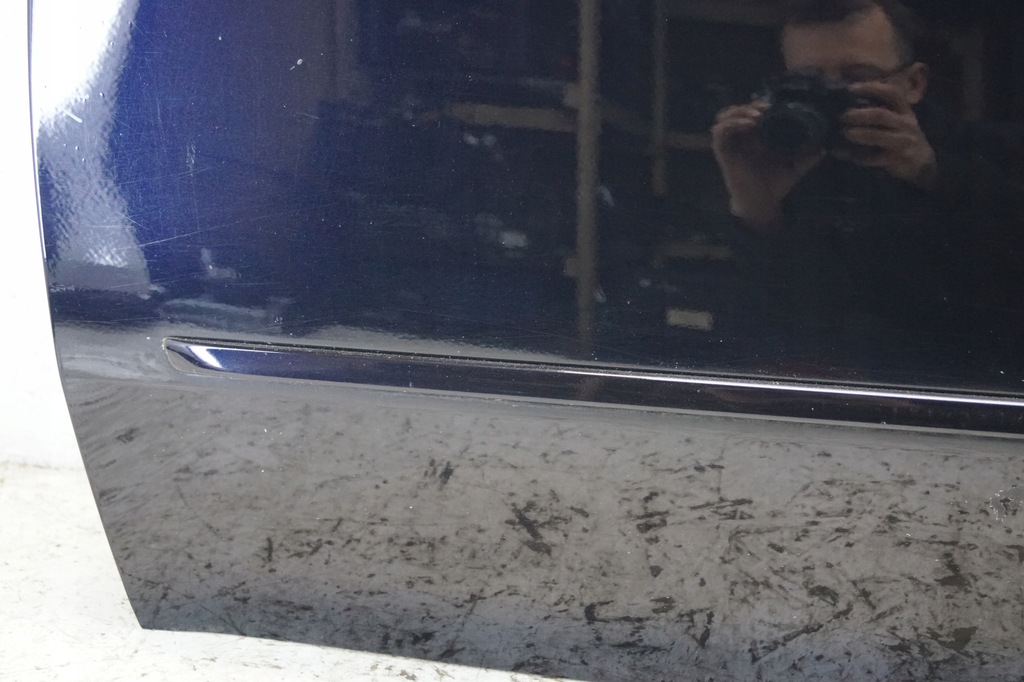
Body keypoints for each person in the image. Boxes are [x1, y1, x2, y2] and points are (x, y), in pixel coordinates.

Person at [711, 0, 1023, 380]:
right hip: (827, 401)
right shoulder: (777, 166)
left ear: (914, 83)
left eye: (856, 78)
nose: (831, 98)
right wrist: (756, 212)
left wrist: (935, 177)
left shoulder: (995, 156)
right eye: (808, 82)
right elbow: (746, 336)